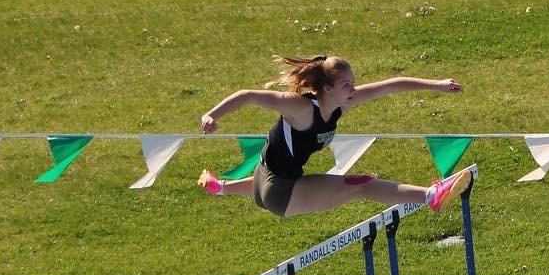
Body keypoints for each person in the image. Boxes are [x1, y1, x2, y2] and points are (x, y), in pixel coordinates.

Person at [197, 54, 472, 217]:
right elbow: (248, 95)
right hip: (280, 191)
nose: (353, 89)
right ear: (327, 89)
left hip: (266, 180)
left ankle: (220, 187)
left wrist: (436, 85)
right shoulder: (300, 108)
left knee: (351, 181)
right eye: (346, 84)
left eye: (353, 82)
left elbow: (390, 86)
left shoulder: (342, 101)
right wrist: (213, 114)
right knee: (362, 184)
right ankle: (430, 196)